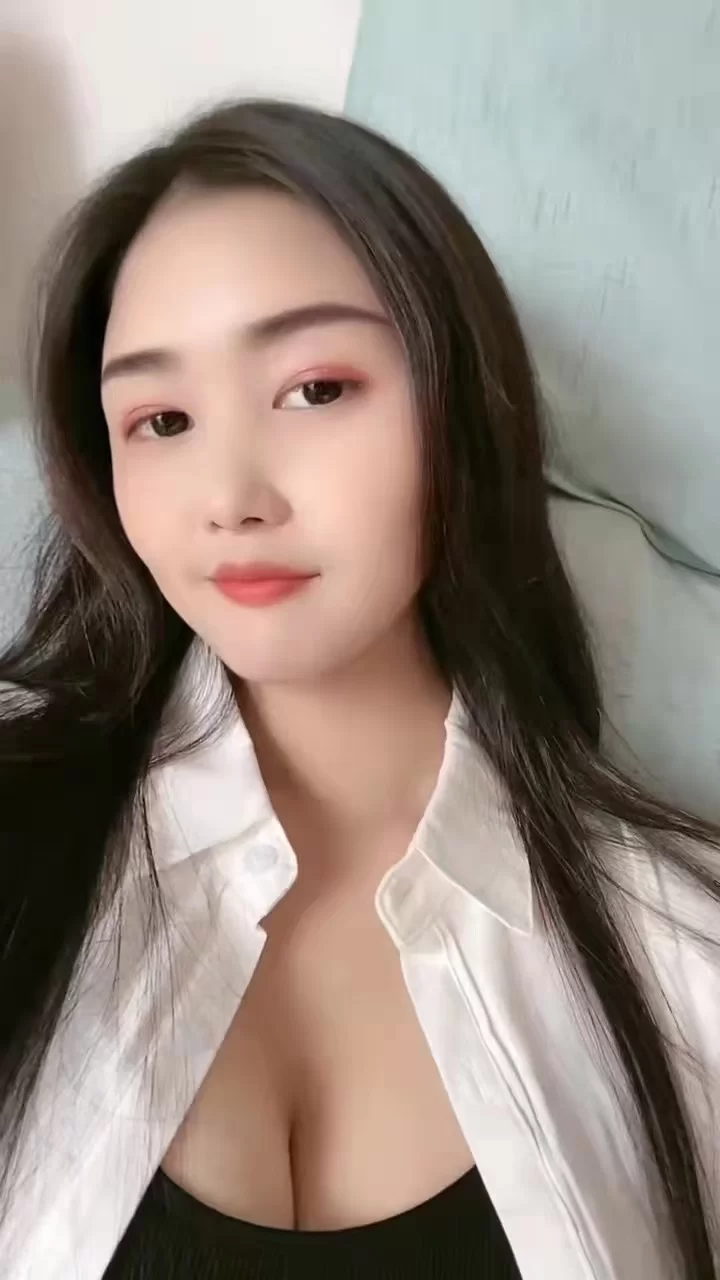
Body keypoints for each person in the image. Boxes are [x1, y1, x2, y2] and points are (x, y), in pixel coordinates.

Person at [0, 98, 718, 1280]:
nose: (231, 495)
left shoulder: (686, 949)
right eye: (161, 418)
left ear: (461, 399)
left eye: (316, 389)